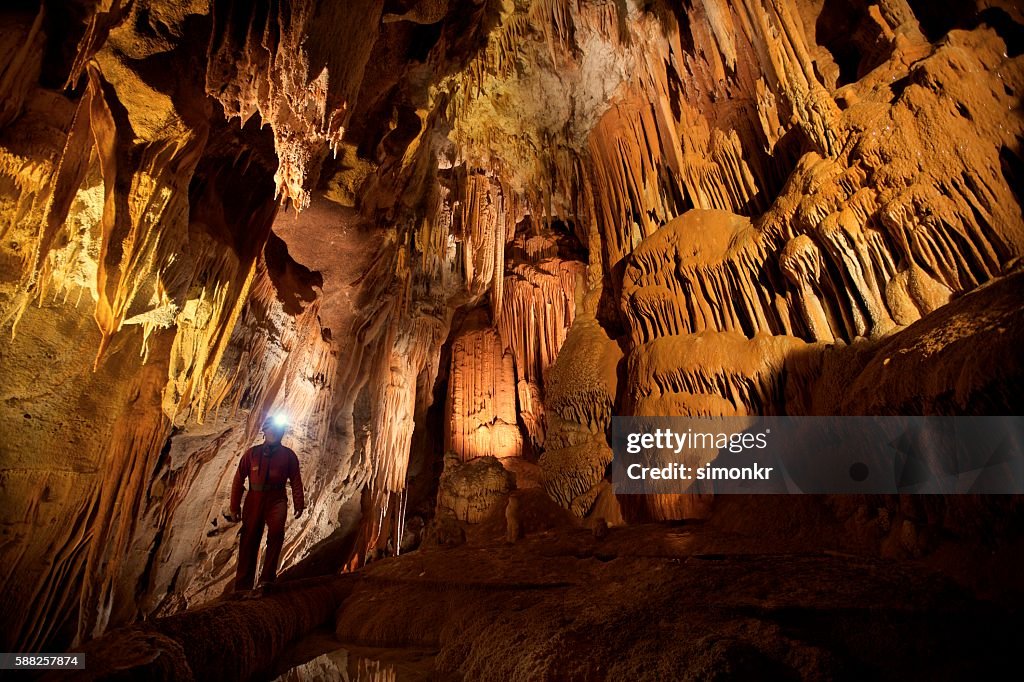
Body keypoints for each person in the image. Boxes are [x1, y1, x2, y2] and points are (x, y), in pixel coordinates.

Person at [228, 416, 305, 590]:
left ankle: (267, 580)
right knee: (248, 539)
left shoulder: (288, 455)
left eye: (279, 430)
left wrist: (299, 502)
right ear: (265, 432)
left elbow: (295, 480)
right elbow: (239, 479)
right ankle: (243, 584)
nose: (277, 433)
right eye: (273, 430)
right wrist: (234, 506)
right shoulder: (252, 454)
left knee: (276, 536)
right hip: (254, 497)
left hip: (277, 499)